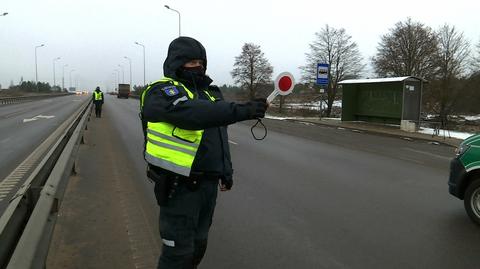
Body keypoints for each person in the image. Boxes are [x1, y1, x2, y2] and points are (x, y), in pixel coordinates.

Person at [140, 36, 268, 269]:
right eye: (190, 62)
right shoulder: (160, 92)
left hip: (208, 186)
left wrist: (226, 171)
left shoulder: (210, 93)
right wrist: (242, 110)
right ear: (176, 63)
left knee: (198, 246)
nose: (197, 67)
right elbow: (193, 114)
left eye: (201, 62)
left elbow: (219, 134)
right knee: (177, 253)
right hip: (178, 187)